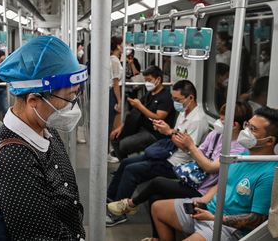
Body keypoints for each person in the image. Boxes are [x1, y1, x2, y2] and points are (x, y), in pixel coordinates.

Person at [0, 36, 87, 240]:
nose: (73, 104)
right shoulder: (12, 160)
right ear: (33, 100)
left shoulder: (47, 130)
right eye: (69, 97)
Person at [107, 102, 251, 237]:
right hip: (194, 180)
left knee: (157, 182)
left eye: (222, 119)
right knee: (154, 197)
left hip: (205, 189)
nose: (219, 122)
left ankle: (129, 204)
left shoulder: (238, 149)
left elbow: (210, 167)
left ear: (234, 125)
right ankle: (157, 237)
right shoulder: (216, 135)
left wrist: (191, 147)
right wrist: (193, 150)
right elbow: (198, 155)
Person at [152, 106, 278, 241]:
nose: (246, 131)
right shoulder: (242, 156)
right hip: (210, 209)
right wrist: (201, 202)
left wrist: (214, 218)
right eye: (247, 126)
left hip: (229, 227)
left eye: (253, 130)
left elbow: (256, 219)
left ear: (269, 141)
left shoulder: (270, 173)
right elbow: (221, 185)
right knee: (157, 208)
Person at [106, 80, 209, 226]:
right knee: (126, 163)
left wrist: (168, 132)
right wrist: (167, 130)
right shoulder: (184, 112)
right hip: (168, 154)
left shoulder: (197, 120)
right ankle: (111, 199)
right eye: (173, 99)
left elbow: (189, 148)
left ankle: (120, 213)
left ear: (190, 98)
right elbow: (177, 134)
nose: (175, 102)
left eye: (178, 100)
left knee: (132, 171)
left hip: (177, 164)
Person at [109, 66, 176, 163]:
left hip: (154, 133)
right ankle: (124, 165)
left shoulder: (165, 97)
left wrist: (140, 106)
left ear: (158, 79)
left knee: (123, 145)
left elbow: (159, 117)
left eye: (149, 80)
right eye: (145, 80)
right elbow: (135, 113)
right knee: (115, 138)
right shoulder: (149, 94)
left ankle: (129, 166)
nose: (147, 83)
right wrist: (122, 127)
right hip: (142, 127)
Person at [109, 36, 123, 135]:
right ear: (118, 46)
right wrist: (119, 101)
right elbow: (116, 83)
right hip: (113, 93)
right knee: (111, 121)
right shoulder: (114, 60)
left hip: (113, 92)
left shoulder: (114, 59)